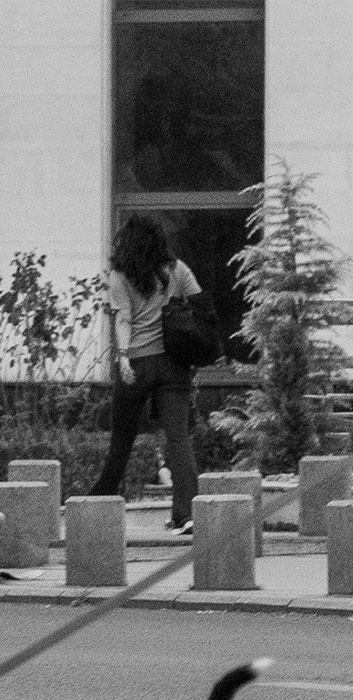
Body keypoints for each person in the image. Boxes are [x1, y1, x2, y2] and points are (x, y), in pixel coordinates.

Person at [91, 214, 201, 532]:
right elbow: (199, 302)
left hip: (137, 364)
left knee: (122, 439)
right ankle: (187, 513)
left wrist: (123, 356)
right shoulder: (176, 270)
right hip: (174, 363)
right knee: (178, 438)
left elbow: (123, 318)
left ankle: (99, 505)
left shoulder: (121, 276)